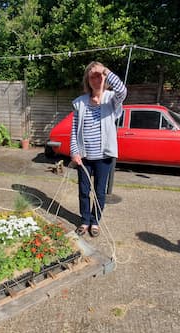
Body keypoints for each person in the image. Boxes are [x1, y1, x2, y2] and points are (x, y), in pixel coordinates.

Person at [70, 61, 127, 237]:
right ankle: (85, 220)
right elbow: (74, 130)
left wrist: (105, 70)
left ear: (105, 77)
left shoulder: (111, 99)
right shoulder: (79, 103)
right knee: (84, 191)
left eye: (99, 75)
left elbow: (123, 91)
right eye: (92, 76)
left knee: (100, 192)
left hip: (104, 157)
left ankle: (95, 221)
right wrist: (74, 152)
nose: (96, 79)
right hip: (84, 157)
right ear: (88, 79)